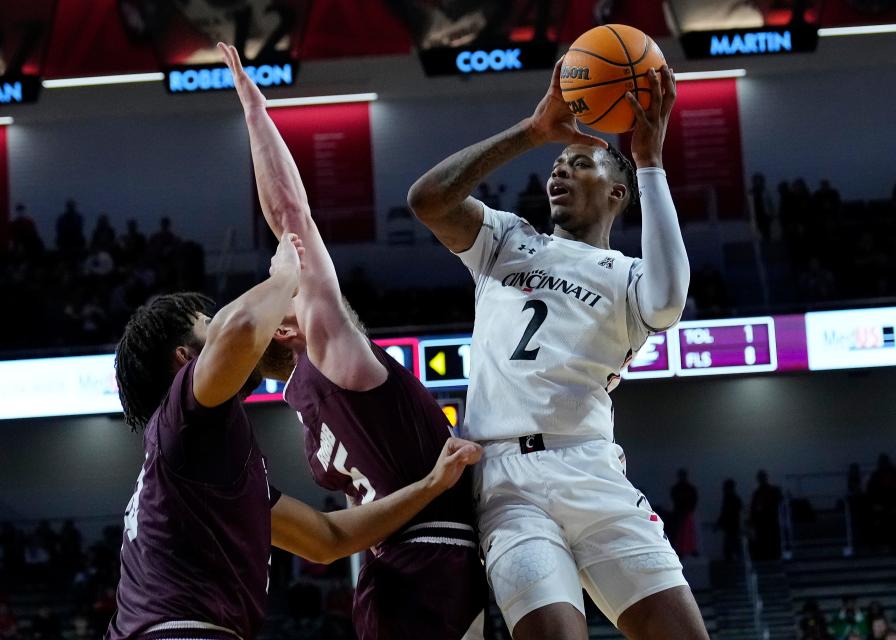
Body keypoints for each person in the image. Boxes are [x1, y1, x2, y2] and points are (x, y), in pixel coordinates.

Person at [409, 59, 706, 640]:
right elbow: (428, 200)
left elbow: (670, 300)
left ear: (617, 191)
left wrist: (650, 162)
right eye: (556, 164)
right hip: (507, 480)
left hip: (592, 469)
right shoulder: (507, 242)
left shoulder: (629, 278)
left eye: (578, 162)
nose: (559, 171)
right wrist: (532, 131)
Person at [218, 43, 487, 640]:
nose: (290, 273)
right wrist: (255, 111)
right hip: (431, 561)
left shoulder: (305, 405)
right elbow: (292, 216)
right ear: (287, 328)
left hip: (391, 573)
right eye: (280, 282)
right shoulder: (330, 364)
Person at [110, 235, 481, 640]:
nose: (222, 327)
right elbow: (244, 326)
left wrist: (430, 485)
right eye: (208, 325)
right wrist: (286, 273)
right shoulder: (182, 419)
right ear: (186, 360)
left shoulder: (200, 472)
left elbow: (327, 538)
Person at [750, 470, 784, 561]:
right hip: (767, 521)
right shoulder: (771, 491)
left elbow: (753, 509)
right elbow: (754, 509)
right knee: (769, 541)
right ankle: (772, 557)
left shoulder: (759, 493)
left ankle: (771, 557)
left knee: (770, 541)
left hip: (768, 520)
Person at [670, 469, 699, 558]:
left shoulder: (685, 488)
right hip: (682, 512)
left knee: (687, 533)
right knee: (682, 533)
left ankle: (688, 550)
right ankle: (683, 550)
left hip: (685, 512)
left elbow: (694, 499)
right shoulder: (681, 488)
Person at [716, 479, 743, 563]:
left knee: (730, 549)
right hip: (734, 527)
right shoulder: (735, 499)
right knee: (734, 548)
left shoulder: (729, 499)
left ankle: (734, 566)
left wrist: (719, 523)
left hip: (731, 528)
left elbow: (725, 513)